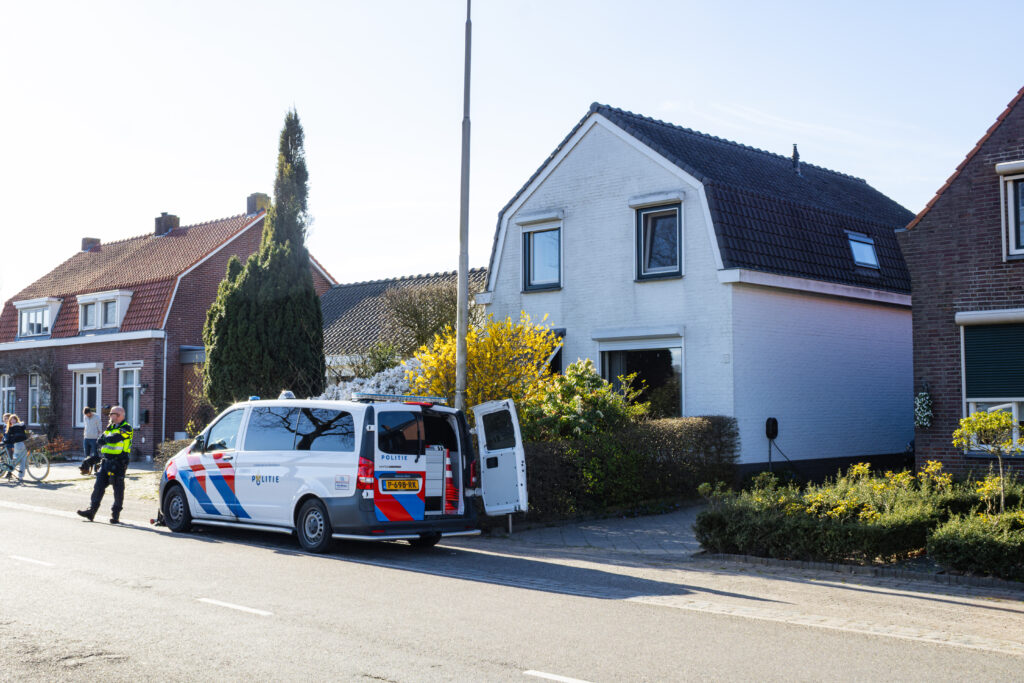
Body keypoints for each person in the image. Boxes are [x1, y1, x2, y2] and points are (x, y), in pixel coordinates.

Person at [77, 405, 133, 524]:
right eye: (110, 414)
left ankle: (115, 515)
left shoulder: (127, 428)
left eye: (113, 414)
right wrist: (106, 439)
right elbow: (99, 441)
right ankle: (91, 511)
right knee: (98, 487)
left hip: (119, 462)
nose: (110, 416)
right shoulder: (110, 427)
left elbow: (114, 439)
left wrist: (106, 439)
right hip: (106, 461)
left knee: (118, 489)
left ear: (120, 415)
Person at [4, 414, 29, 483]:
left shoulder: (17, 426)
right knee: (20, 459)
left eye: (14, 419)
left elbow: (24, 428)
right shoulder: (13, 427)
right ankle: (14, 470)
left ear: (16, 419)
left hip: (22, 443)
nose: (13, 421)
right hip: (19, 444)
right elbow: (9, 436)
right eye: (11, 419)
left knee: (21, 460)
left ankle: (19, 475)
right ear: (10, 421)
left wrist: (22, 424)